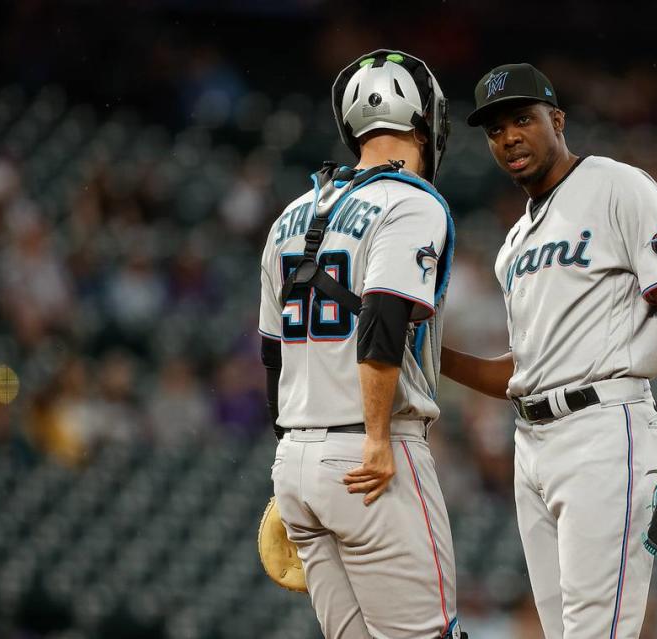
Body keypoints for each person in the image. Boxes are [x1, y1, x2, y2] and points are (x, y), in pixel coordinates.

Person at [441, 63, 657, 639]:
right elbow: (525, 371)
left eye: (522, 119)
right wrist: (431, 354)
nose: (509, 137)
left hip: (603, 428)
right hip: (532, 445)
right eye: (495, 130)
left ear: (557, 120)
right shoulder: (513, 243)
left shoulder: (617, 185)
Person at [257, 50, 464, 639]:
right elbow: (383, 319)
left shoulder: (290, 215)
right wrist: (375, 439)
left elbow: (272, 351)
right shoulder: (412, 201)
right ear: (426, 122)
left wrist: (290, 455)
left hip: (297, 461)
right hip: (372, 456)